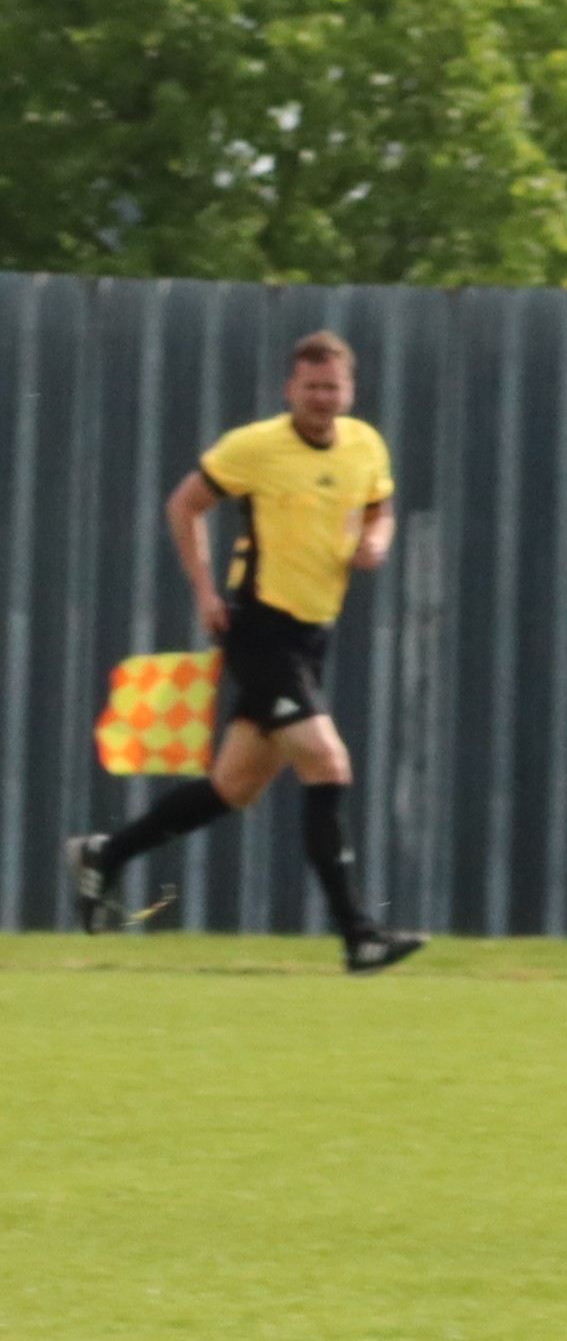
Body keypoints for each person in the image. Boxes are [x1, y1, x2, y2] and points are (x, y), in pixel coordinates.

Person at [67, 330, 423, 971]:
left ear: (350, 390)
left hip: (313, 634)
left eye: (333, 387)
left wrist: (379, 538)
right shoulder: (255, 447)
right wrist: (205, 591)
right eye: (311, 387)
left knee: (234, 786)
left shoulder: (365, 443)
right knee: (327, 762)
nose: (322, 398)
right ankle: (360, 935)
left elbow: (381, 505)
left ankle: (105, 855)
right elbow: (185, 505)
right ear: (290, 389)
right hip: (259, 626)